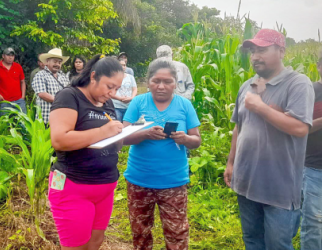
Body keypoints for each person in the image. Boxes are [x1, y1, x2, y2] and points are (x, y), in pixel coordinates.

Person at [223, 29, 315, 250]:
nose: (255, 56)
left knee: (277, 245)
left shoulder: (298, 83)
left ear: (281, 51)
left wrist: (260, 107)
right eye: (253, 51)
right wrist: (231, 161)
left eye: (262, 50)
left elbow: (300, 128)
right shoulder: (247, 86)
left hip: (279, 188)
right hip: (245, 182)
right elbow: (239, 126)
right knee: (252, 240)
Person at [123, 58, 201, 249]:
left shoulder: (184, 105)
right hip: (139, 180)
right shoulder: (139, 103)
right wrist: (145, 134)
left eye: (167, 82)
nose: (161, 86)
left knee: (177, 233)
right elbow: (124, 138)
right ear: (148, 81)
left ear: (175, 83)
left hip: (173, 181)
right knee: (140, 232)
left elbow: (196, 141)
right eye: (156, 81)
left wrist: (185, 139)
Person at [48, 55, 124, 250]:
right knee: (76, 247)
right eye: (109, 86)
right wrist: (102, 132)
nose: (112, 93)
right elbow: (59, 140)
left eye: (117, 88)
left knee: (95, 243)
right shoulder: (69, 96)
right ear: (93, 76)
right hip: (73, 186)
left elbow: (110, 141)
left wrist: (121, 135)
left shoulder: (106, 102)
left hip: (105, 187)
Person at [301, 52, 322, 250]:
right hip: (314, 166)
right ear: (318, 67)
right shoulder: (311, 92)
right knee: (314, 221)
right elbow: (299, 127)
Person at [32, 48, 70, 123]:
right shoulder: (40, 75)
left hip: (62, 119)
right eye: (55, 62)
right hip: (46, 119)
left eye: (59, 62)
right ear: (47, 62)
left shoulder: (63, 76)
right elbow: (42, 94)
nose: (57, 64)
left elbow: (69, 92)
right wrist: (61, 101)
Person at [0, 47, 27, 115]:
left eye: (12, 55)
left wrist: (23, 96)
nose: (10, 57)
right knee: (5, 124)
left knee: (23, 123)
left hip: (19, 100)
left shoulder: (18, 66)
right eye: (8, 55)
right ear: (3, 56)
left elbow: (22, 81)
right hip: (4, 101)